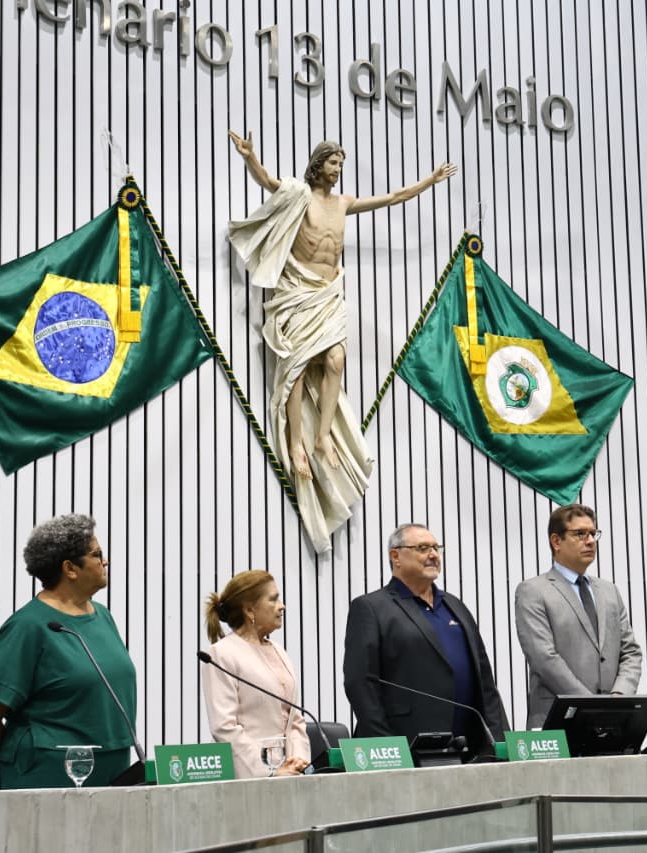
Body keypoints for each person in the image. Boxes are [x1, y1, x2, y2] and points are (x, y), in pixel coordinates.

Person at [227, 132, 456, 554]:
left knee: (336, 360)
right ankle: (296, 440)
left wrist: (428, 182)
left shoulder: (345, 203)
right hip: (298, 289)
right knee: (294, 367)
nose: (338, 169)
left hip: (329, 292)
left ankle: (322, 437)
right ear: (319, 165)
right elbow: (268, 183)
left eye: (341, 164)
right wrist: (251, 157)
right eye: (333, 163)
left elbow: (391, 198)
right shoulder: (300, 195)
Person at [0, 514, 136, 789]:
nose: (105, 562)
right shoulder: (28, 626)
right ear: (70, 568)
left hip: (115, 773)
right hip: (50, 778)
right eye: (97, 554)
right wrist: (4, 769)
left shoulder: (103, 616)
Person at [342, 524, 508, 758]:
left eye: (436, 548)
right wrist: (387, 747)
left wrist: (499, 739)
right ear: (395, 556)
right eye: (422, 548)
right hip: (406, 745)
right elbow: (360, 683)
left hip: (468, 748)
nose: (433, 555)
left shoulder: (455, 605)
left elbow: (485, 681)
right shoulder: (371, 607)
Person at [513, 504, 643, 728]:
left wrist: (619, 696)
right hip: (559, 719)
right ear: (556, 541)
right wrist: (590, 706)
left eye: (593, 533)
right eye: (580, 534)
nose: (591, 540)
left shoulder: (609, 590)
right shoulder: (533, 590)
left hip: (612, 721)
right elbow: (544, 658)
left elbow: (630, 651)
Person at [201, 570, 310, 779]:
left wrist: (298, 761)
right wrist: (269, 771)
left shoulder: (279, 651)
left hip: (291, 774)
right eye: (273, 599)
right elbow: (224, 728)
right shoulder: (221, 654)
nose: (282, 606)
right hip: (251, 779)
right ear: (250, 609)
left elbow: (295, 718)